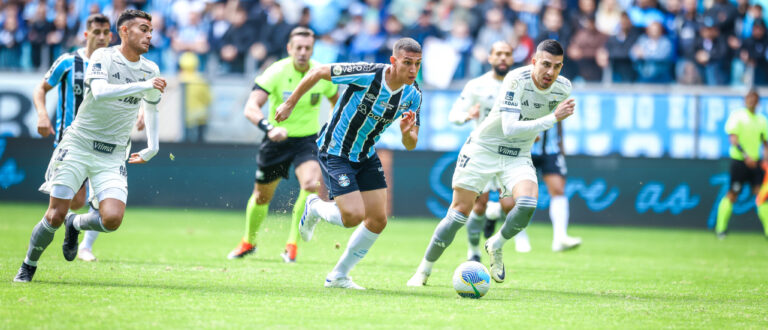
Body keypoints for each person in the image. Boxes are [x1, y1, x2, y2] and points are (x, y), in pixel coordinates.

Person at [14, 9, 166, 282]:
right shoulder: (102, 57)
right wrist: (142, 85)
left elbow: (152, 105)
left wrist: (153, 146)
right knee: (55, 215)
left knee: (112, 219)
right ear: (124, 32)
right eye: (143, 29)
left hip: (113, 154)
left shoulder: (150, 68)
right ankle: (28, 264)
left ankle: (77, 223)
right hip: (79, 144)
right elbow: (100, 91)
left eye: (151, 30)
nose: (149, 35)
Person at [407, 39, 575, 286]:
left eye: (557, 66)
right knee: (458, 215)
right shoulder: (516, 79)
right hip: (483, 148)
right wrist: (551, 119)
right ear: (534, 62)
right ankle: (424, 270)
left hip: (517, 154)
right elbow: (508, 127)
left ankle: (496, 243)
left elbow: (531, 125)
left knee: (527, 203)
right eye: (546, 65)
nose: (551, 72)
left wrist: (544, 124)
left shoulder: (564, 88)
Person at [274, 38, 422, 289]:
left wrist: (407, 133)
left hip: (365, 154)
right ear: (394, 61)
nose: (412, 70)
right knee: (353, 216)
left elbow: (411, 143)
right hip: (335, 150)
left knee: (378, 220)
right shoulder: (368, 73)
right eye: (407, 63)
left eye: (417, 64)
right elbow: (318, 71)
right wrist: (290, 103)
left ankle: (338, 276)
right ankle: (314, 207)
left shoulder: (413, 95)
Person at [226, 27, 339, 263]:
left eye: (307, 48)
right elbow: (250, 108)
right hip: (276, 141)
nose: (302, 52)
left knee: (310, 184)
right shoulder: (276, 72)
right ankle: (248, 242)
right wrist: (270, 128)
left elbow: (336, 102)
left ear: (313, 49)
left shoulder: (321, 74)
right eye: (298, 47)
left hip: (307, 141)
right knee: (261, 197)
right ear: (289, 49)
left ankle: (292, 245)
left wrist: (332, 130)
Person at [32, 13, 112, 263]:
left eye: (105, 33)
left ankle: (86, 248)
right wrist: (43, 115)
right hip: (71, 142)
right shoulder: (68, 62)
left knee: (103, 199)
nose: (101, 37)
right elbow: (41, 89)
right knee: (74, 203)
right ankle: (68, 226)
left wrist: (141, 112)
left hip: (103, 143)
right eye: (96, 32)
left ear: (111, 36)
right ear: (86, 35)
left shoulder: (114, 65)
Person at [447, 41, 521, 261]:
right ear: (489, 58)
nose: (502, 58)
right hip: (483, 151)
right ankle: (473, 250)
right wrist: (467, 115)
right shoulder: (476, 85)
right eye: (498, 54)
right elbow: (454, 114)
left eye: (507, 54)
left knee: (510, 204)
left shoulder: (519, 85)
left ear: (512, 58)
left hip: (509, 152)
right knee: (477, 206)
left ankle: (496, 221)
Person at [715, 89, 768, 239]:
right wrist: (746, 156)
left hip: (756, 163)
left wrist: (765, 159)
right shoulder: (737, 116)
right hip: (739, 162)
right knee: (732, 194)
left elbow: (765, 143)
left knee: (762, 196)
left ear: (758, 102)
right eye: (749, 98)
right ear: (745, 100)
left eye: (754, 99)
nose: (751, 101)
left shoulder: (762, 120)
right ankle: (721, 229)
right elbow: (733, 139)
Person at [528, 124, 582, 251]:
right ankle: (521, 237)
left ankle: (560, 238)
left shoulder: (557, 103)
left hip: (551, 150)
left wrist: (561, 145)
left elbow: (559, 120)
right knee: (525, 194)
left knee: (558, 190)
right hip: (527, 149)